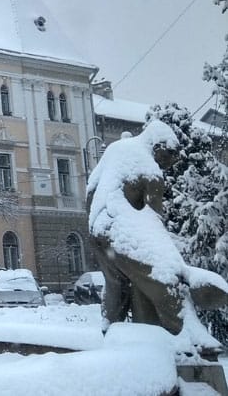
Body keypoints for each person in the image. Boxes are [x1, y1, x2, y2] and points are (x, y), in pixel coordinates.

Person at [87, 121, 228, 346]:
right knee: (166, 278)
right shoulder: (151, 172)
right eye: (167, 158)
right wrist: (173, 262)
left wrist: (95, 222)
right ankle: (186, 338)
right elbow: (154, 221)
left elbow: (91, 188)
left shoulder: (116, 149)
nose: (167, 164)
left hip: (96, 226)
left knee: (119, 285)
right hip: (121, 227)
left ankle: (110, 335)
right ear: (159, 147)